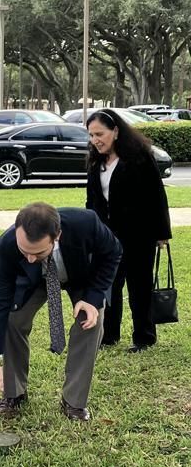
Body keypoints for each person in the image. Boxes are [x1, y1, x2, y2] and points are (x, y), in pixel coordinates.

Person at [0, 203, 121, 421]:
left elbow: (113, 252)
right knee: (12, 320)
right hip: (34, 281)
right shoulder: (8, 245)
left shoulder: (86, 223)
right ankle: (13, 393)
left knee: (91, 321)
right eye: (24, 251)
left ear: (58, 236)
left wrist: (93, 299)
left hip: (81, 277)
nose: (28, 258)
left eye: (37, 252)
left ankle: (74, 402)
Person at [85, 109, 172, 353]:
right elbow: (92, 200)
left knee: (139, 287)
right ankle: (109, 335)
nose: (95, 140)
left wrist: (161, 232)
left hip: (139, 236)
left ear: (115, 131)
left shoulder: (140, 158)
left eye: (99, 134)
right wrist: (90, 231)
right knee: (110, 287)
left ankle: (144, 337)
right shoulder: (95, 161)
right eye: (91, 135)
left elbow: (157, 196)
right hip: (107, 237)